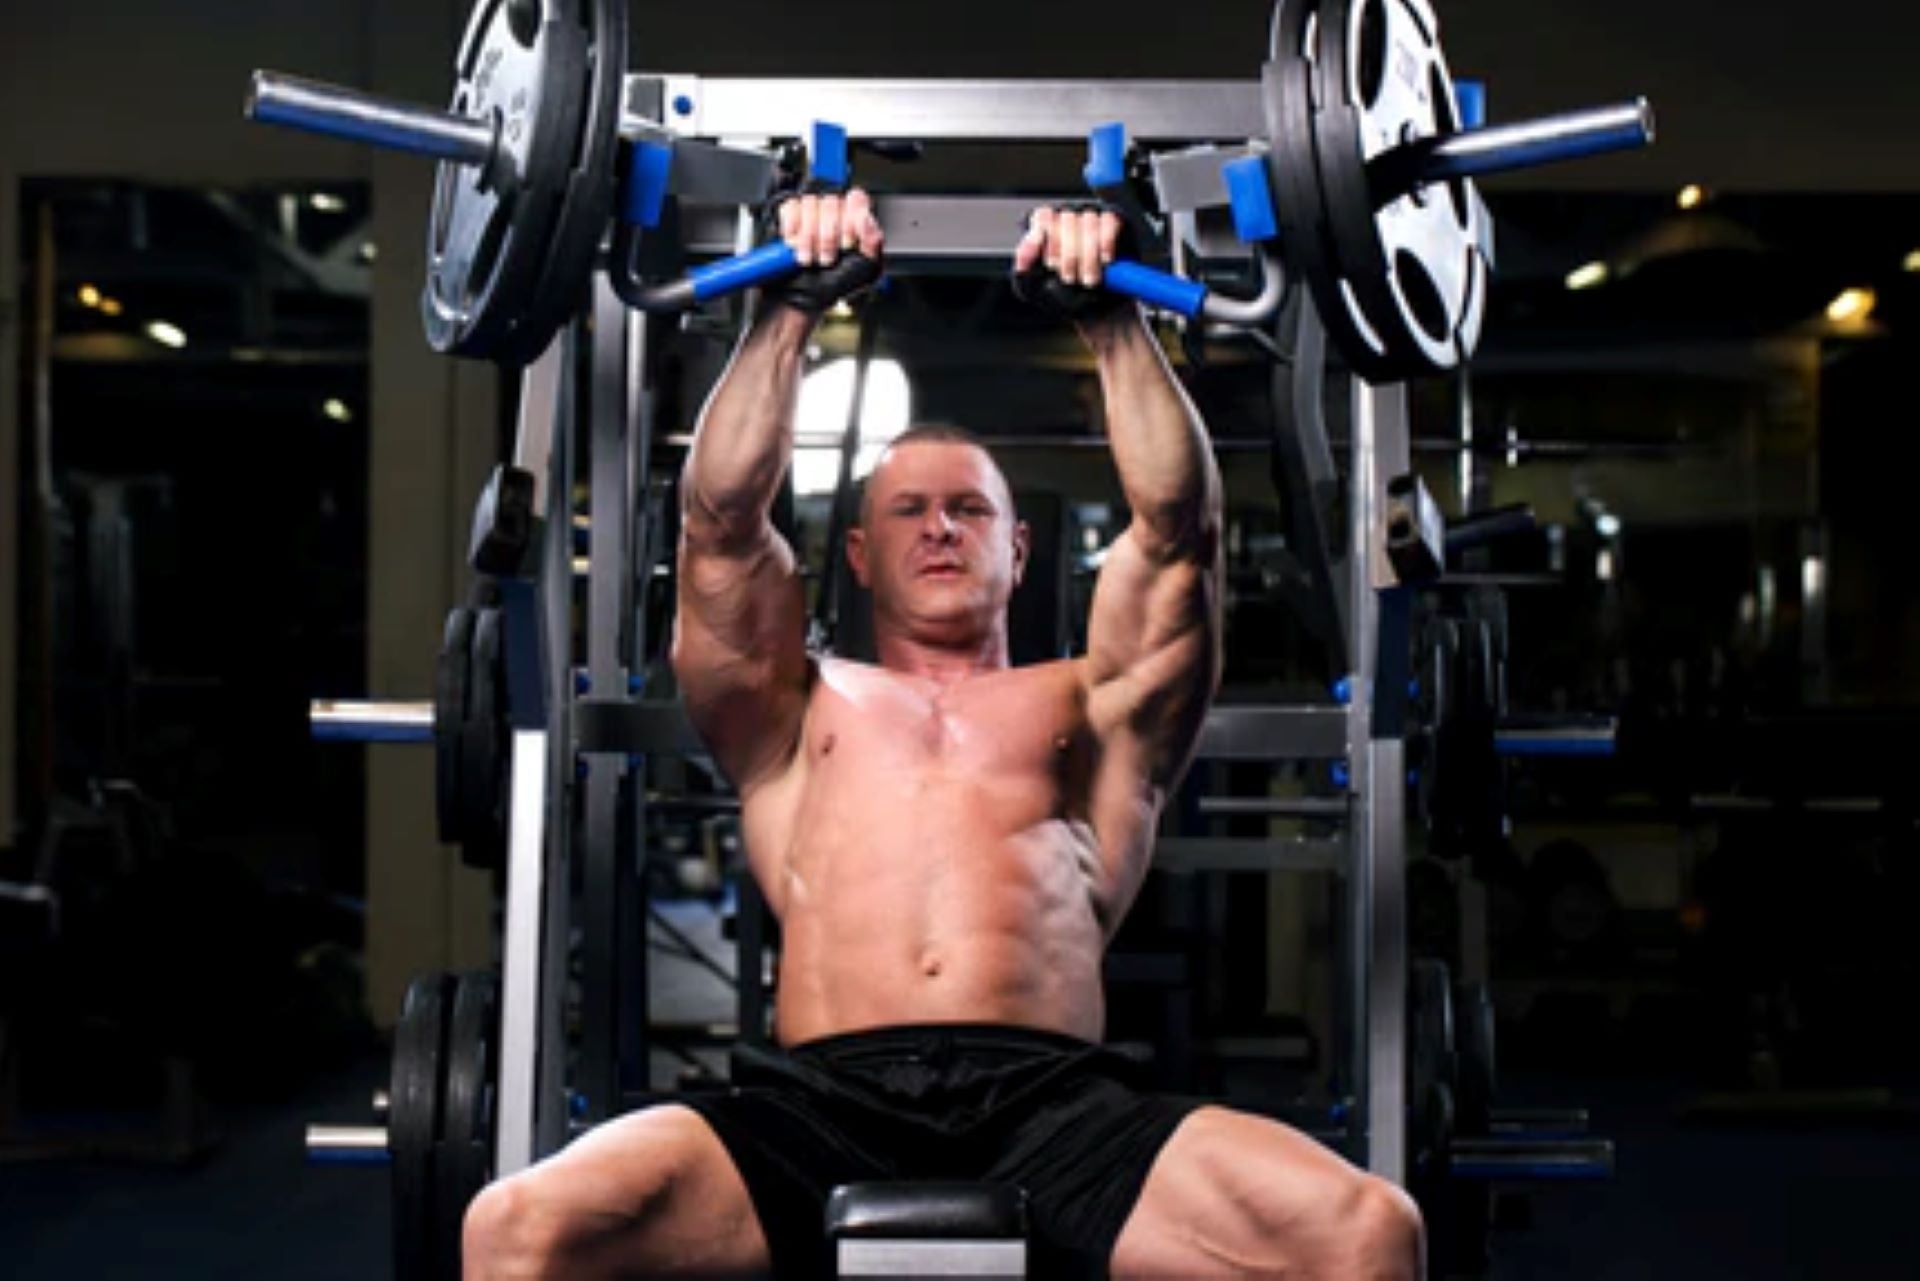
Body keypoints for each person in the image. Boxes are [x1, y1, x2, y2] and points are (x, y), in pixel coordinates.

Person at [464, 188, 1422, 1278]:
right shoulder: (794, 708)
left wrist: (1113, 320)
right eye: (910, 511)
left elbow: (1177, 531)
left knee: (1368, 1231)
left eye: (968, 511)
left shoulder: (1094, 707)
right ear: (861, 554)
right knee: (519, 1231)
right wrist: (785, 302)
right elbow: (721, 525)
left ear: (1019, 550)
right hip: (816, 1103)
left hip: (1057, 1105)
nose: (939, 529)